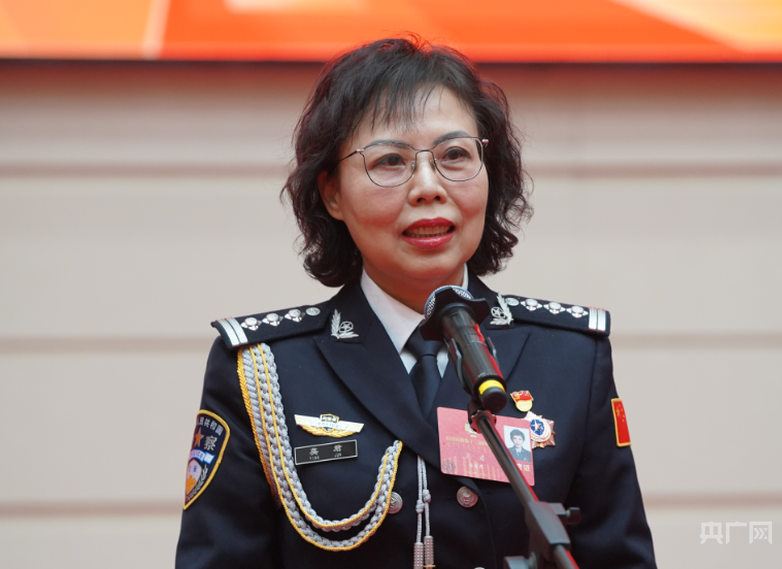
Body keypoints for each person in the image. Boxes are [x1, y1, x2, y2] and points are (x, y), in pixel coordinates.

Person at [176, 36, 656, 569]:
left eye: (454, 155)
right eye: (390, 161)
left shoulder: (569, 358)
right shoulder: (264, 370)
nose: (428, 187)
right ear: (332, 193)